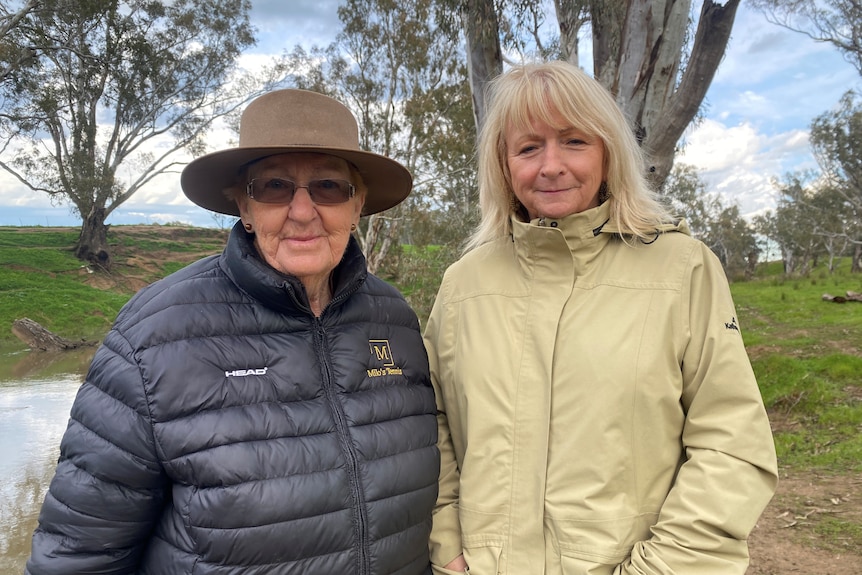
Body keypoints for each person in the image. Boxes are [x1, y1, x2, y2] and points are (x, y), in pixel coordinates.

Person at [26, 89, 439, 575]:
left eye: (328, 187)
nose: (303, 212)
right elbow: (78, 555)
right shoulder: (154, 334)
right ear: (243, 205)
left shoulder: (395, 320)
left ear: (358, 204)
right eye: (274, 188)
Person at [423, 61, 778, 575]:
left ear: (608, 152)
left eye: (573, 141)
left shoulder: (682, 269)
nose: (550, 165)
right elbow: (435, 429)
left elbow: (730, 444)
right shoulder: (462, 285)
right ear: (502, 165)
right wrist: (448, 546)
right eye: (528, 147)